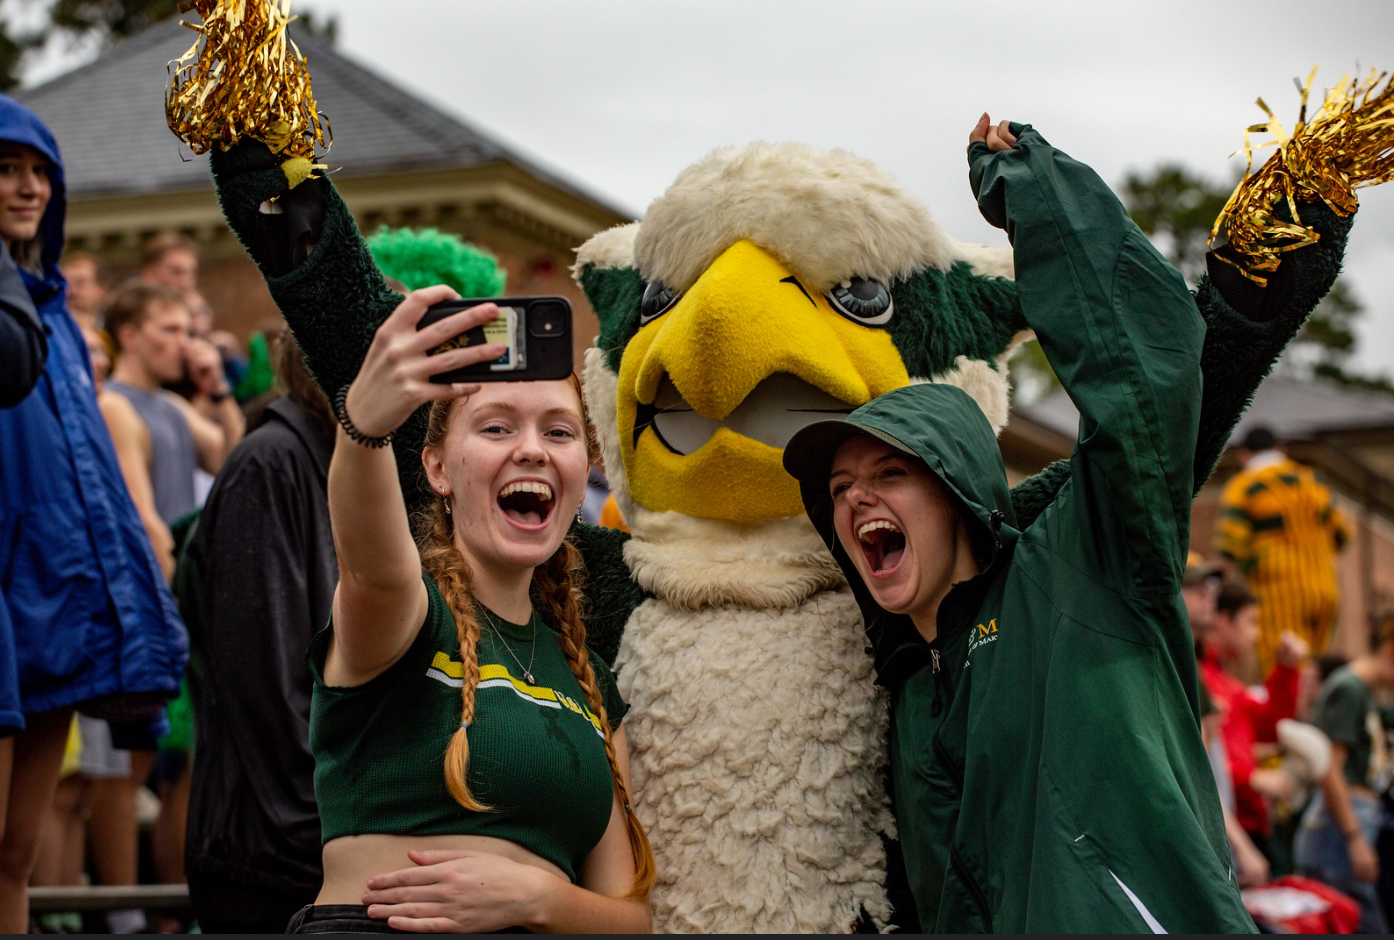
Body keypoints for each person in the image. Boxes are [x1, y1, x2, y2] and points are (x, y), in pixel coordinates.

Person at [782, 117, 1253, 932]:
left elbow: (1141, 380)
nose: (857, 498)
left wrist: (1034, 188)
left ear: (960, 490)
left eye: (892, 473)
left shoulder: (1080, 566)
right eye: (841, 487)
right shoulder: (910, 687)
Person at [288, 287, 654, 933]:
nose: (534, 449)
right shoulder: (407, 614)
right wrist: (365, 427)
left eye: (559, 431)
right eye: (496, 427)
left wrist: (538, 900)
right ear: (437, 469)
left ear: (582, 472)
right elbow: (369, 564)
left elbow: (633, 918)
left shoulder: (592, 681)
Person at [0, 93, 186, 932]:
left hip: (56, 606)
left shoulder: (62, 328)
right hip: (8, 599)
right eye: (5, 169)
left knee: (14, 852)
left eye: (40, 171)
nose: (26, 187)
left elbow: (94, 488)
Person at [182, 333, 337, 932]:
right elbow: (266, 684)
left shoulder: (336, 458)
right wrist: (331, 829)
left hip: (310, 844)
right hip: (269, 857)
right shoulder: (270, 463)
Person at [103, 280, 245, 525]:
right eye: (170, 330)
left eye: (188, 333)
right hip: (157, 560)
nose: (185, 344)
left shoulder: (172, 404)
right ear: (129, 337)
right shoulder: (113, 404)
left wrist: (219, 391)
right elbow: (140, 516)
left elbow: (234, 465)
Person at [1215, 426, 1349, 671]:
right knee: (1315, 670)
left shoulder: (1244, 486)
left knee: (1282, 667)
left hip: (1277, 591)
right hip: (1325, 589)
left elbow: (1230, 548)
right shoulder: (1313, 480)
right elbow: (1343, 534)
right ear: (1281, 449)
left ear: (1244, 454)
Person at [1293, 612, 1394, 933]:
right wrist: (1354, 838)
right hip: (1338, 834)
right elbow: (1330, 770)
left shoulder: (1363, 692)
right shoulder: (1348, 689)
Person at [1202, 581, 1306, 862]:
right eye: (1251, 622)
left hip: (1246, 824)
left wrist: (1285, 670)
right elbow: (1195, 760)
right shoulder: (1199, 679)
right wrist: (1252, 779)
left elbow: (1271, 726)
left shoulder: (1228, 684)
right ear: (1223, 621)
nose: (1257, 635)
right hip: (1228, 828)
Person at [60, 250, 106, 333]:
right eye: (66, 284)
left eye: (80, 283)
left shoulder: (115, 326)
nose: (71, 291)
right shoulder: (53, 330)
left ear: (101, 289)